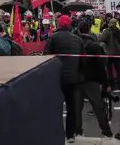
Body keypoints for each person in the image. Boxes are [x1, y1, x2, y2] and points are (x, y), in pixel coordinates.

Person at [44, 15, 85, 143]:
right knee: (71, 107)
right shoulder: (78, 39)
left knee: (55, 107)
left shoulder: (52, 38)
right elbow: (83, 60)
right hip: (73, 79)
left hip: (56, 78)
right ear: (69, 25)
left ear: (59, 24)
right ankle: (70, 135)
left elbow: (45, 57)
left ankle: (55, 133)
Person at [78, 21, 113, 138]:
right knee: (99, 107)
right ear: (89, 30)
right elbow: (101, 66)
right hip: (91, 80)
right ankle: (106, 131)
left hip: (77, 80)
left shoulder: (75, 44)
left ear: (78, 30)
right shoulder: (94, 45)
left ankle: (77, 131)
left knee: (76, 108)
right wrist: (106, 83)